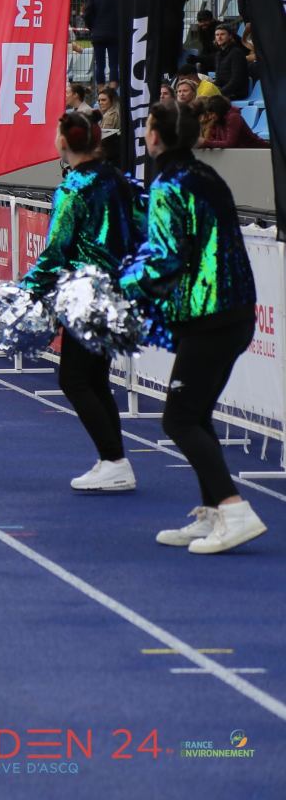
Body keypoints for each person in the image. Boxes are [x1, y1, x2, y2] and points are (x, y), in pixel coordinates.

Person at [122, 100, 266, 554]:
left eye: (148, 126)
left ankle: (234, 508)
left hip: (210, 315)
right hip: (232, 311)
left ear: (156, 137)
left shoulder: (169, 185)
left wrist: (119, 285)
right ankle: (215, 512)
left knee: (179, 418)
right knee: (197, 413)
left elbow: (166, 257)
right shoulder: (207, 176)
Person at [17, 111, 143, 492]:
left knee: (73, 379)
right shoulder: (118, 179)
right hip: (116, 291)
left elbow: (56, 249)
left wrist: (26, 291)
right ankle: (113, 459)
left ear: (64, 142)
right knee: (94, 379)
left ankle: (114, 460)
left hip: (87, 294)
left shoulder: (72, 189)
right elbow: (141, 226)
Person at [82, 0, 119, 84]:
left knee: (100, 65)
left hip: (98, 35)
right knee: (114, 65)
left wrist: (93, 28)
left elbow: (87, 15)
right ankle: (113, 89)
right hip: (116, 35)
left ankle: (101, 89)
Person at [199, 94, 268, 149]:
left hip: (260, 152)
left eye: (212, 114)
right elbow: (218, 142)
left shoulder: (234, 117)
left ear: (218, 110)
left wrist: (205, 143)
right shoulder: (219, 120)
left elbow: (230, 144)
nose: (210, 117)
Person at [212, 22, 251, 100]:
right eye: (217, 35)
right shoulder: (218, 55)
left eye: (222, 34)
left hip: (236, 93)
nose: (219, 37)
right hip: (224, 91)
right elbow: (218, 79)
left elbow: (236, 80)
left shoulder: (236, 53)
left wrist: (220, 93)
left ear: (230, 36)